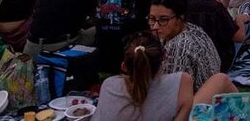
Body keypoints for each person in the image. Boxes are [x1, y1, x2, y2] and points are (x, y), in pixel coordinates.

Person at [96, 31, 236, 121]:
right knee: (220, 79)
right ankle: (248, 111)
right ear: (165, 57)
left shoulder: (109, 85)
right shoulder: (181, 81)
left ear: (124, 66)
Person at [150, 0, 221, 91]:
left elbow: (171, 93)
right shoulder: (192, 28)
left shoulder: (177, 47)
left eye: (163, 19)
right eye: (152, 18)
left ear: (180, 18)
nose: (155, 26)